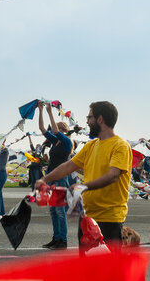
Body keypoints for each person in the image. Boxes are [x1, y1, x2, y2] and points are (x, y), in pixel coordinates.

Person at [35, 101, 132, 251]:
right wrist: (44, 179)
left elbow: (113, 175)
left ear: (100, 119)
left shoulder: (120, 146)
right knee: (88, 270)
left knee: (108, 272)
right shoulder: (91, 146)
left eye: (89, 117)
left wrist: (83, 186)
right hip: (87, 217)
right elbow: (68, 166)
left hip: (109, 219)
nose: (87, 121)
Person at [37, 102, 73, 250]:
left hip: (60, 179)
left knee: (59, 210)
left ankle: (62, 241)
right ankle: (56, 238)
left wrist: (50, 112)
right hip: (51, 178)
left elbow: (56, 131)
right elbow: (42, 129)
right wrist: (40, 111)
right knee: (53, 210)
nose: (53, 131)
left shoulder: (66, 142)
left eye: (56, 129)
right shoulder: (55, 142)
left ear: (63, 130)